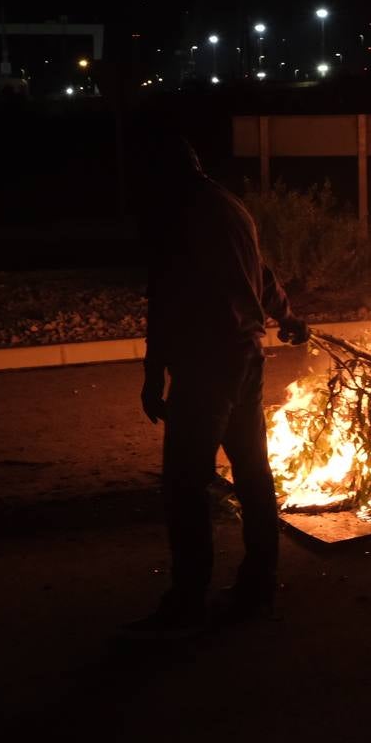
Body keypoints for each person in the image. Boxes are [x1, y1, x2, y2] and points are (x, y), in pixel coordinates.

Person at [123, 130, 309, 639]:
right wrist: (287, 318)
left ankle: (187, 599)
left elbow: (167, 298)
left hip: (206, 363)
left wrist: (152, 372)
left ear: (164, 171)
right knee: (252, 473)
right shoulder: (230, 206)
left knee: (184, 484)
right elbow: (262, 273)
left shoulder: (177, 214)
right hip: (246, 355)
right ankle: (259, 583)